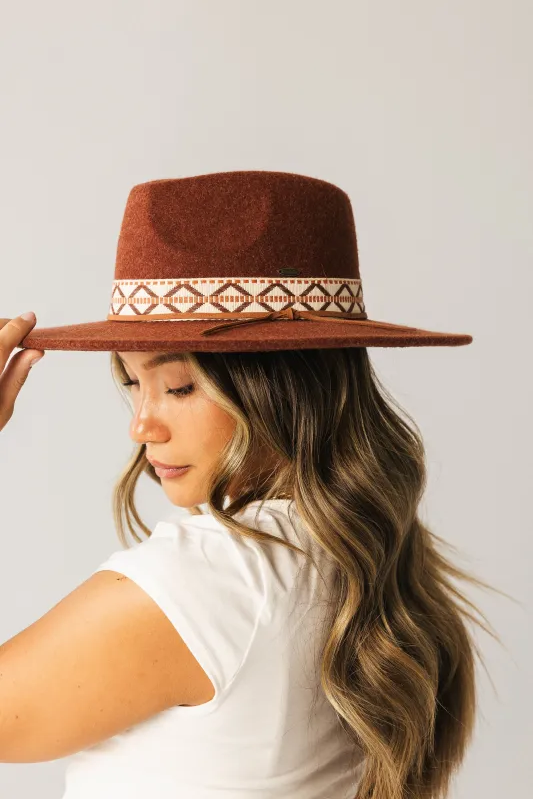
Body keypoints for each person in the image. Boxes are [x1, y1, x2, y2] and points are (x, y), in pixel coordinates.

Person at [0, 171, 492, 799]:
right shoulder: (364, 557)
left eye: (179, 386)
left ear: (283, 390)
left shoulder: (211, 577)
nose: (141, 424)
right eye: (131, 382)